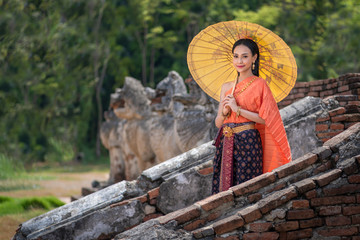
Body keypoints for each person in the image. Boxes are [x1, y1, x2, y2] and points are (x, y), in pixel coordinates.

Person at [212, 39, 291, 194]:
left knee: (246, 188)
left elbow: (265, 119)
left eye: (244, 56)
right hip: (226, 142)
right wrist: (225, 112)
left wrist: (237, 109)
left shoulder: (260, 84)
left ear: (254, 58)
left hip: (248, 141)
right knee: (223, 189)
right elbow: (218, 123)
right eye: (236, 56)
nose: (239, 61)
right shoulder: (226, 87)